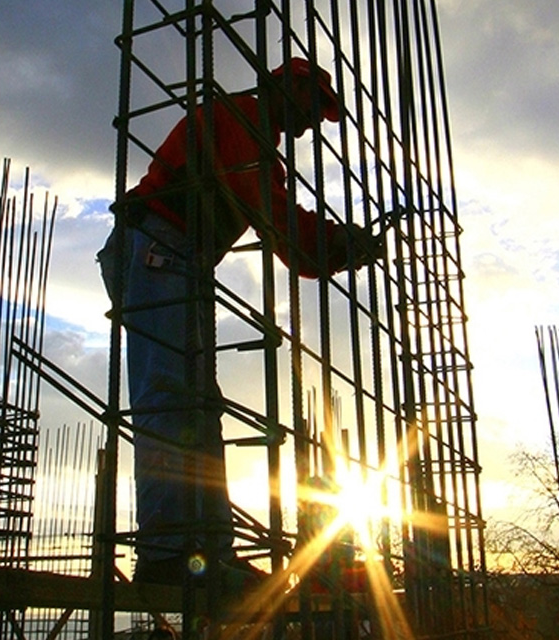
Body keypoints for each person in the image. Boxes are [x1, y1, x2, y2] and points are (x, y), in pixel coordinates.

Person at [97, 57, 383, 587]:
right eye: (314, 105)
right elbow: (283, 227)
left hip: (179, 255)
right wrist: (341, 242)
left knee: (200, 409)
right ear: (286, 87)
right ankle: (165, 555)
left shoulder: (251, 137)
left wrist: (338, 247)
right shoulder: (238, 122)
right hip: (156, 246)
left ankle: (206, 554)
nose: (313, 122)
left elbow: (289, 240)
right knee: (169, 398)